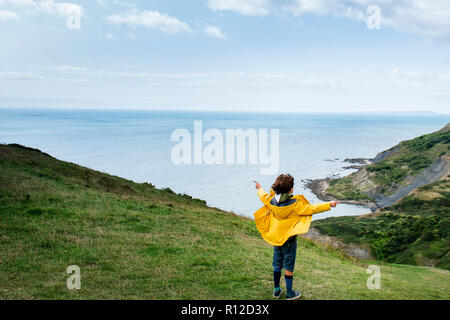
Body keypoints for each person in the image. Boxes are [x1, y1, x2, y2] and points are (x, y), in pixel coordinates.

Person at [253, 174, 339, 300]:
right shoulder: (295, 204)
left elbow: (263, 196)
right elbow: (311, 208)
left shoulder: (271, 201)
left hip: (277, 239)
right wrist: (329, 204)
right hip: (289, 240)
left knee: (277, 264)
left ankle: (276, 290)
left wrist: (259, 187)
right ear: (291, 189)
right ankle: (289, 293)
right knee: (288, 266)